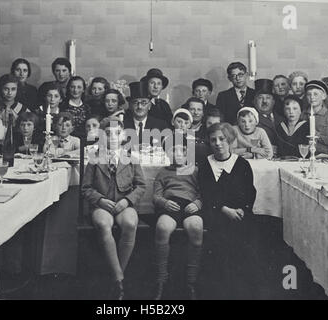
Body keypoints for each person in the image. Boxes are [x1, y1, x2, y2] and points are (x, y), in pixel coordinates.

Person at [82, 117, 146, 300]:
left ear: (124, 135)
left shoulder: (131, 157)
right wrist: (100, 200)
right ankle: (118, 278)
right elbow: (86, 188)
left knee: (130, 223)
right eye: (108, 133)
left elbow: (141, 185)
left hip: (123, 203)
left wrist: (127, 201)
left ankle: (117, 278)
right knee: (103, 224)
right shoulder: (94, 158)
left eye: (117, 133)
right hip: (102, 204)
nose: (112, 137)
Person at [198, 123, 259, 299]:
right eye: (213, 140)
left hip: (240, 214)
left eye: (222, 139)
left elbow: (250, 192)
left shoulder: (242, 164)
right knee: (220, 244)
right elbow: (207, 194)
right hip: (216, 213)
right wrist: (226, 210)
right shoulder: (206, 164)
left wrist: (242, 209)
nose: (218, 143)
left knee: (244, 243)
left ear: (230, 140)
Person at [152, 143, 203, 300]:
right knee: (162, 227)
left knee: (195, 227)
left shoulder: (195, 170)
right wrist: (164, 203)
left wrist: (197, 204)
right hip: (170, 205)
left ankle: (191, 281)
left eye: (183, 150)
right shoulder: (163, 172)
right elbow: (156, 196)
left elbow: (204, 193)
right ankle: (162, 279)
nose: (178, 154)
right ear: (168, 154)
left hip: (190, 206)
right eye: (173, 150)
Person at [123, 81, 170, 149]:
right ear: (130, 105)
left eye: (144, 103)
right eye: (135, 102)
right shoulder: (122, 125)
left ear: (150, 105)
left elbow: (167, 150)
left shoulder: (161, 126)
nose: (140, 107)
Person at [303, 80, 328, 154]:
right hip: (305, 155)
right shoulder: (302, 115)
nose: (312, 97)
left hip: (323, 156)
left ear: (323, 96)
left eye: (315, 94)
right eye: (309, 94)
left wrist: (319, 136)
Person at [254, 79, 284, 152]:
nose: (264, 101)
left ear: (273, 101)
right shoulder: (250, 120)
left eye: (268, 98)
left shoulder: (283, 119)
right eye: (260, 97)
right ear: (255, 101)